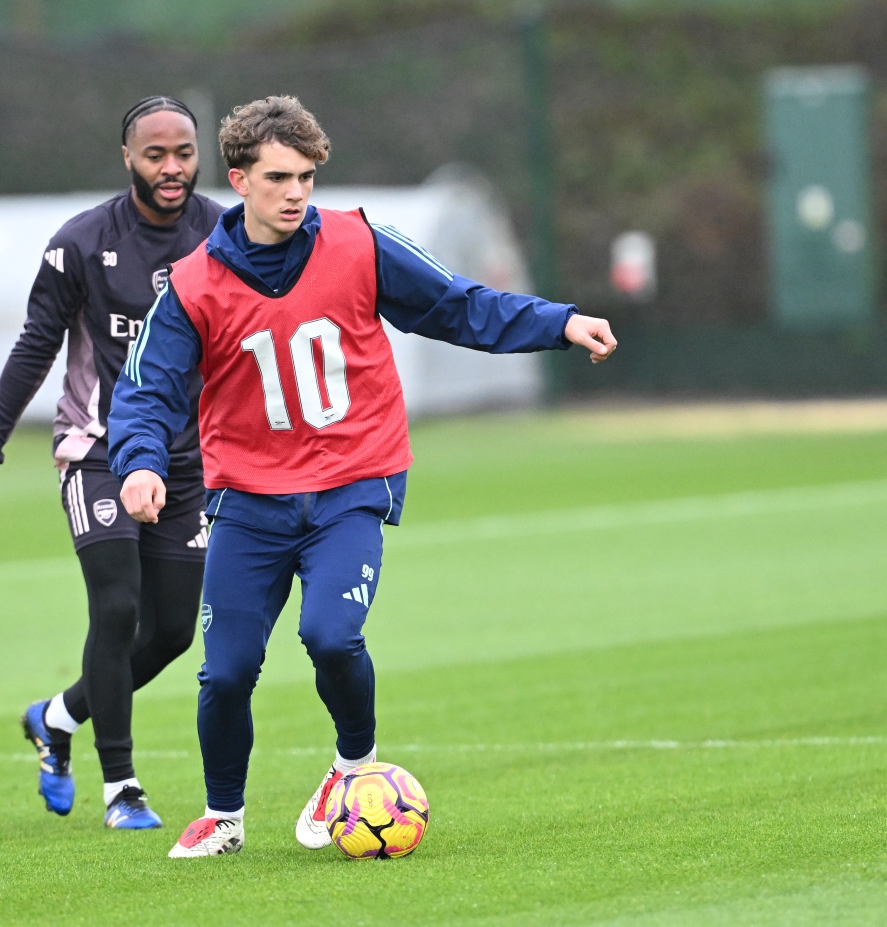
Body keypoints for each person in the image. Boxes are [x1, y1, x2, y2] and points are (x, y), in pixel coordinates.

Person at [108, 95, 618, 857]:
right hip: (247, 498)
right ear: (239, 180)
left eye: (307, 177)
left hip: (353, 481)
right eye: (279, 177)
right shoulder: (191, 284)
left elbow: (459, 306)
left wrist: (559, 322)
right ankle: (225, 817)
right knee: (227, 672)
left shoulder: (361, 242)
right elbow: (146, 389)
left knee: (332, 635)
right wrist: (141, 465)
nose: (296, 193)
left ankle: (351, 769)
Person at [0, 96, 225, 829]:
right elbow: (35, 345)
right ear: (128, 159)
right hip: (97, 449)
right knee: (116, 605)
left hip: (187, 462)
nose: (172, 168)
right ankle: (122, 787)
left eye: (184, 153)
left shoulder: (224, 234)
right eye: (155, 155)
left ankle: (58, 716)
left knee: (172, 631)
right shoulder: (81, 242)